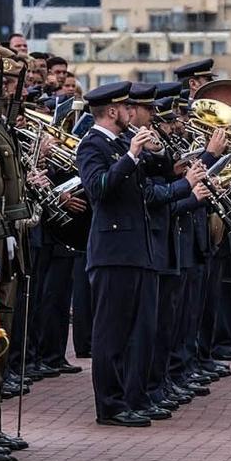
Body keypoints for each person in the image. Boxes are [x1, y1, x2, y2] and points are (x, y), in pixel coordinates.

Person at [74, 81, 156, 427]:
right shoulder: (92, 145)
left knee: (129, 330)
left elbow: (148, 185)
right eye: (125, 108)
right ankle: (109, 405)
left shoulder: (121, 143)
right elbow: (98, 189)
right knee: (110, 333)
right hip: (111, 250)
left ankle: (125, 398)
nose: (130, 113)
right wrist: (131, 156)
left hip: (131, 249)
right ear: (112, 111)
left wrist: (147, 153)